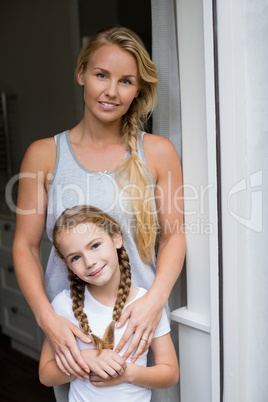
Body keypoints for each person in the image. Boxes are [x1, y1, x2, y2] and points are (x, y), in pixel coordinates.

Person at [12, 25, 185, 401]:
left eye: (126, 81)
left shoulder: (157, 152)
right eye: (101, 75)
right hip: (73, 334)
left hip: (139, 332)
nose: (111, 91)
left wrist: (153, 303)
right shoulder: (44, 155)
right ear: (81, 74)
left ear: (138, 90)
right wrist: (49, 321)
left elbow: (174, 235)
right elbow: (24, 246)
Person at [39, 205, 179, 401]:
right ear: (67, 265)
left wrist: (127, 373)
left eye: (95, 245)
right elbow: (46, 374)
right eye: (76, 257)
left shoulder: (146, 306)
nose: (89, 261)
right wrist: (86, 359)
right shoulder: (64, 305)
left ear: (116, 238)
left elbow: (170, 373)